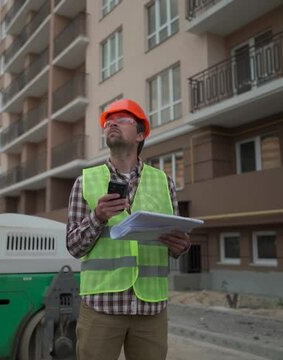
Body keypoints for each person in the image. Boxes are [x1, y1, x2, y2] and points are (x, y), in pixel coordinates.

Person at [66, 99, 191, 360]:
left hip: (151, 309)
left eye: (123, 119)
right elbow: (74, 247)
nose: (112, 123)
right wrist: (97, 217)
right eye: (108, 121)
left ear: (141, 134)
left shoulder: (164, 182)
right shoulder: (85, 182)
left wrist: (180, 247)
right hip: (101, 306)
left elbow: (175, 240)